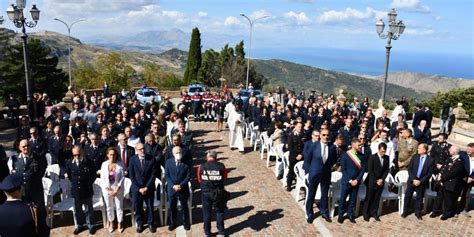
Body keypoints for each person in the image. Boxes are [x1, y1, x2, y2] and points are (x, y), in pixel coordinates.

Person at [303, 128, 336, 223]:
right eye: (324, 135)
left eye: (327, 135)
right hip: (314, 173)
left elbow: (333, 159)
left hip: (326, 174)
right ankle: (309, 213)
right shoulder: (314, 146)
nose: (326, 137)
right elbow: (307, 160)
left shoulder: (332, 147)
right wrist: (308, 173)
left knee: (324, 194)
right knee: (311, 195)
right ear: (320, 136)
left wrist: (327, 168)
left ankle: (324, 212)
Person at [11, 139, 47, 223]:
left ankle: (41, 228)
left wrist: (33, 178)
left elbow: (42, 170)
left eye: (28, 145)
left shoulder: (38, 157)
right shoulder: (15, 159)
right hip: (22, 191)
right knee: (25, 212)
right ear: (20, 148)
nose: (26, 147)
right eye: (24, 146)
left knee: (40, 211)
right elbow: (15, 172)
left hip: (36, 189)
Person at [65, 146, 96, 235]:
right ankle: (79, 225)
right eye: (75, 155)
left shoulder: (89, 162)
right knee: (77, 210)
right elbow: (70, 176)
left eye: (78, 155)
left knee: (88, 210)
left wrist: (87, 185)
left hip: (87, 190)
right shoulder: (70, 163)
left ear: (82, 152)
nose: (77, 157)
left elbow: (93, 176)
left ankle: (91, 225)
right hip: (76, 191)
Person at [198, 151, 228, 237]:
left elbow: (200, 179)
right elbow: (225, 177)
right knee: (219, 211)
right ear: (216, 157)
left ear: (207, 158)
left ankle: (207, 232)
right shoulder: (221, 166)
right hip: (218, 192)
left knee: (207, 212)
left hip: (206, 192)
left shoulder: (201, 166)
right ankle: (221, 231)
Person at [129, 143, 157, 233]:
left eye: (143, 149)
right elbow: (132, 176)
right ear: (136, 150)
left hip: (148, 187)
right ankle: (140, 223)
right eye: (140, 149)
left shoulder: (151, 159)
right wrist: (139, 188)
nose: (142, 150)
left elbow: (153, 175)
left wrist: (147, 187)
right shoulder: (133, 160)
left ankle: (151, 223)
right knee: (138, 206)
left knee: (150, 206)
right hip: (137, 188)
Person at [401, 143, 433, 220]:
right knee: (408, 196)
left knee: (419, 198)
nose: (417, 149)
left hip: (421, 182)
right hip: (412, 181)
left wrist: (420, 181)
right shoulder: (415, 157)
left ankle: (418, 212)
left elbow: (429, 174)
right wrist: (413, 179)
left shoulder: (430, 160)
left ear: (424, 150)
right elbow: (410, 169)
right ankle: (405, 211)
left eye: (419, 148)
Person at [338, 138, 366, 224]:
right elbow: (343, 169)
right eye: (358, 145)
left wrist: (357, 179)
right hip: (347, 181)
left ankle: (350, 214)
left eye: (360, 145)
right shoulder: (345, 155)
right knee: (343, 199)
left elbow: (363, 169)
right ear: (353, 145)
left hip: (356, 182)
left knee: (353, 199)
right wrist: (350, 180)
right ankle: (340, 215)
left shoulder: (361, 155)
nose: (360, 146)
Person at [165, 146, 191, 231]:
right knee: (172, 207)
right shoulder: (168, 162)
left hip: (183, 188)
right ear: (173, 154)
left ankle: (186, 223)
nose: (179, 154)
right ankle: (173, 222)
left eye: (180, 152)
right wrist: (173, 186)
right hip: (172, 189)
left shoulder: (186, 162)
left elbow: (188, 176)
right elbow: (167, 176)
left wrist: (181, 185)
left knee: (184, 206)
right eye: (177, 153)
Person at [100, 147, 125, 233]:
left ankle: (120, 222)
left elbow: (122, 178)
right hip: (107, 189)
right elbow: (102, 179)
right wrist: (108, 190)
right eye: (110, 154)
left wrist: (116, 189)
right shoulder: (104, 164)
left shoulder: (120, 164)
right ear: (107, 155)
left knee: (119, 206)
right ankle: (111, 222)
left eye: (114, 155)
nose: (112, 156)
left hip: (118, 189)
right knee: (109, 207)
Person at [437, 146, 466, 220]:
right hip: (445, 182)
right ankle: (442, 210)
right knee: (444, 198)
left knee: (449, 200)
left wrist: (442, 177)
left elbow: (453, 173)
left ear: (454, 152)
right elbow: (444, 167)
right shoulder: (450, 159)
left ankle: (447, 213)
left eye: (450, 150)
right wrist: (440, 174)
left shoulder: (460, 161)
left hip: (451, 183)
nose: (449, 151)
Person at [363, 143, 390, 222]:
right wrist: (376, 180)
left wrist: (382, 179)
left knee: (377, 198)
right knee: (369, 198)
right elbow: (370, 170)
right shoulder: (372, 157)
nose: (383, 153)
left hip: (381, 182)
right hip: (371, 181)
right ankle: (366, 213)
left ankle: (374, 212)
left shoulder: (387, 158)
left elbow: (386, 170)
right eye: (382, 151)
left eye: (384, 151)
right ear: (378, 149)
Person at [287, 122, 305, 191]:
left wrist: (301, 155)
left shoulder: (303, 135)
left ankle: (301, 185)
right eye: (298, 126)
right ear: (295, 126)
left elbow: (304, 147)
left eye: (301, 127)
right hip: (293, 156)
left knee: (302, 171)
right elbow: (290, 147)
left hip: (301, 156)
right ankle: (289, 185)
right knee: (291, 171)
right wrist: (296, 156)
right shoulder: (291, 135)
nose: (300, 128)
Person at [459, 143, 474, 216]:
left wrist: (472, 178)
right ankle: (454, 209)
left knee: (467, 195)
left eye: (470, 150)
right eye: (467, 149)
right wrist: (465, 178)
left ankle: (464, 209)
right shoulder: (462, 155)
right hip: (461, 178)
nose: (468, 151)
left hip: (471, 180)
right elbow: (459, 167)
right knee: (457, 193)